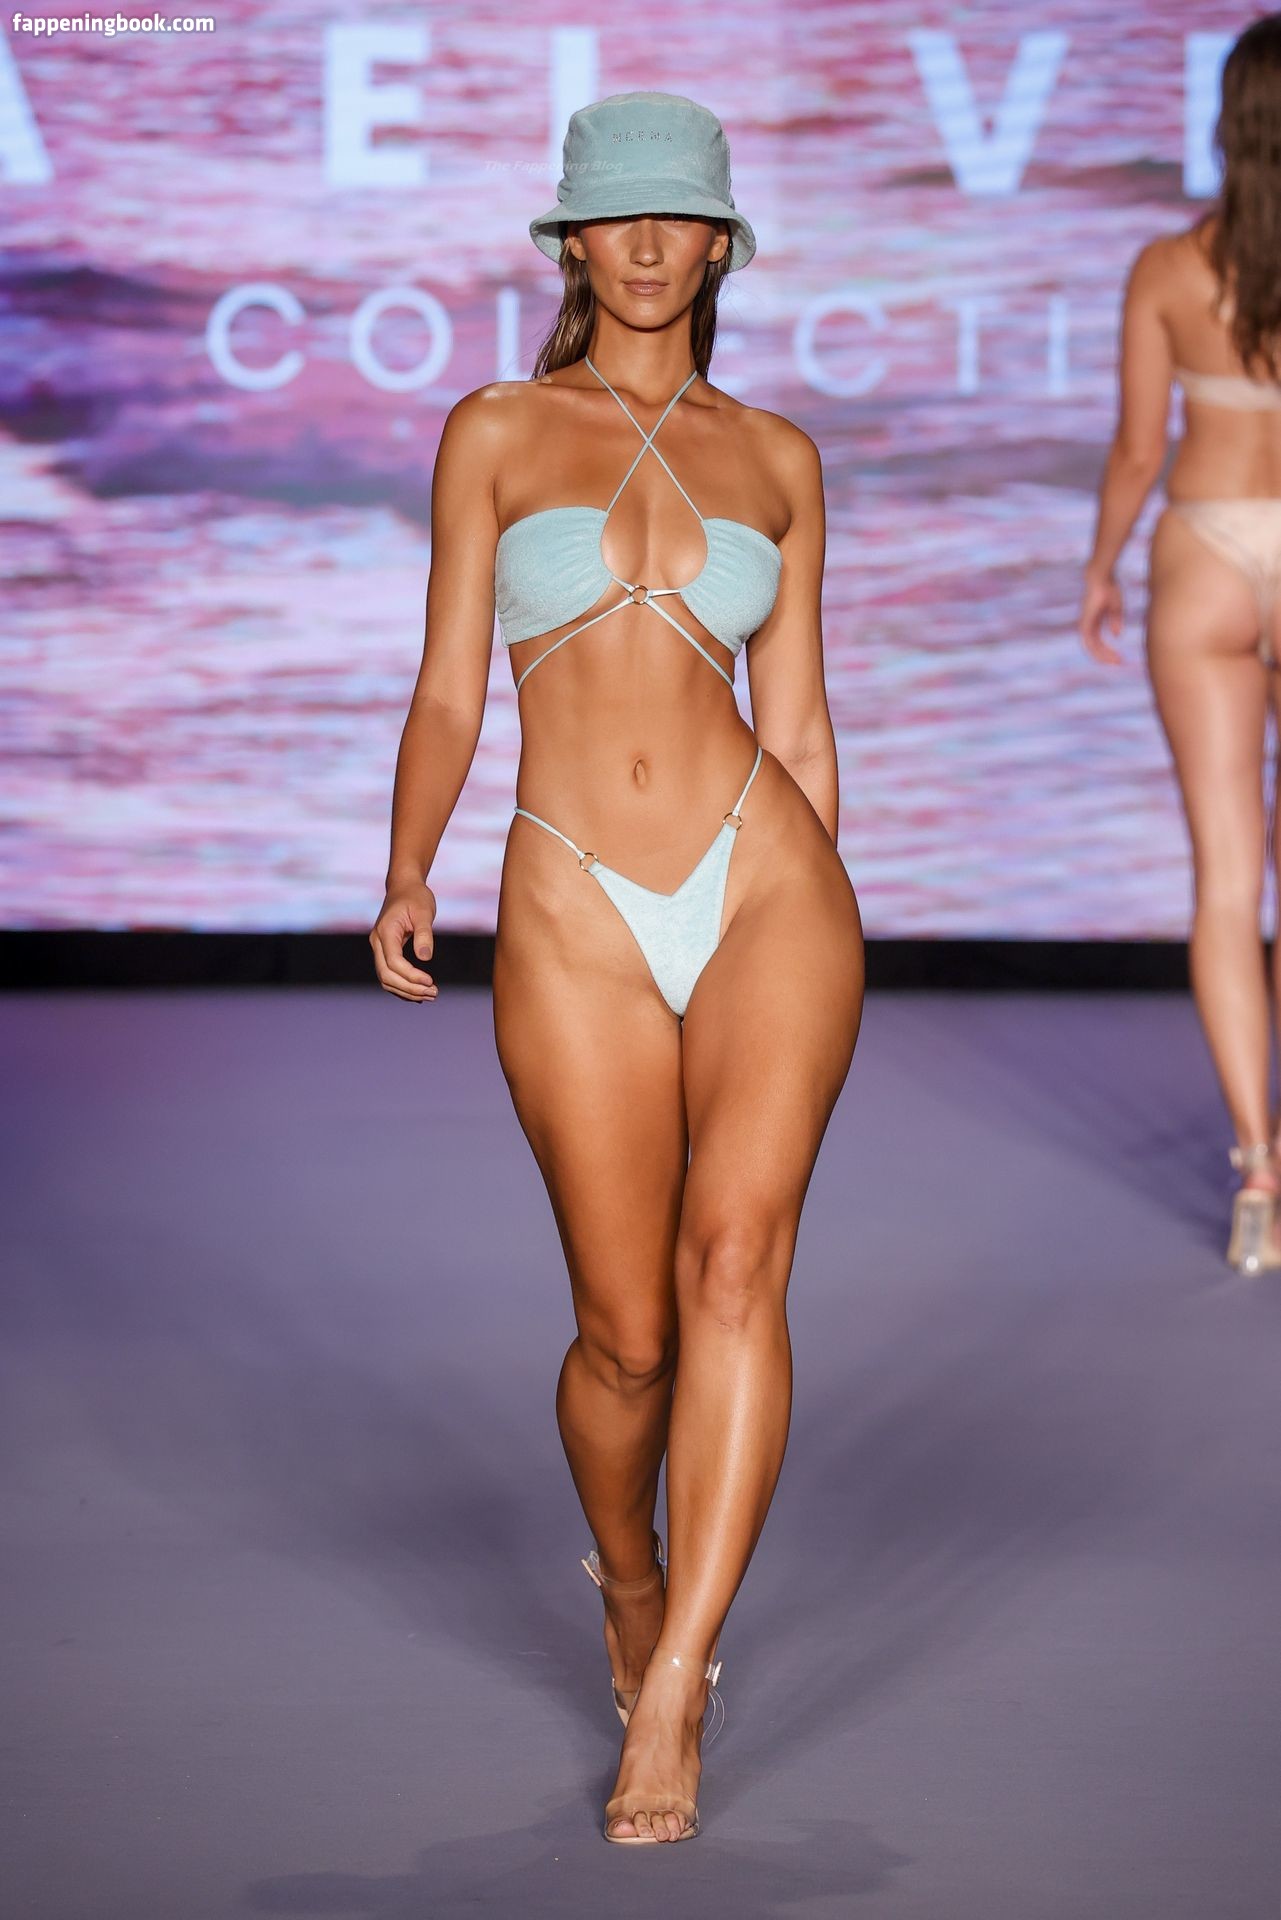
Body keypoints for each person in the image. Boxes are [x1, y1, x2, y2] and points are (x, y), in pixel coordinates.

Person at [369, 91, 863, 1841]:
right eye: (617, 216)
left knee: (736, 1266)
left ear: (721, 242)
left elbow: (799, 725)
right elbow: (450, 683)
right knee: (628, 1336)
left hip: (767, 883)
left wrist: (827, 910)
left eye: (678, 217)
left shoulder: (779, 457)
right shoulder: (496, 431)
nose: (648, 245)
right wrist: (409, 861)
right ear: (571, 241)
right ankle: (631, 1580)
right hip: (570, 890)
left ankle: (676, 1685)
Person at [1081, 15, 1281, 1276]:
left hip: (1206, 552)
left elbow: (1137, 450)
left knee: (1224, 884)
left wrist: (1100, 567)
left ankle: (1261, 1171)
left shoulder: (1169, 267)